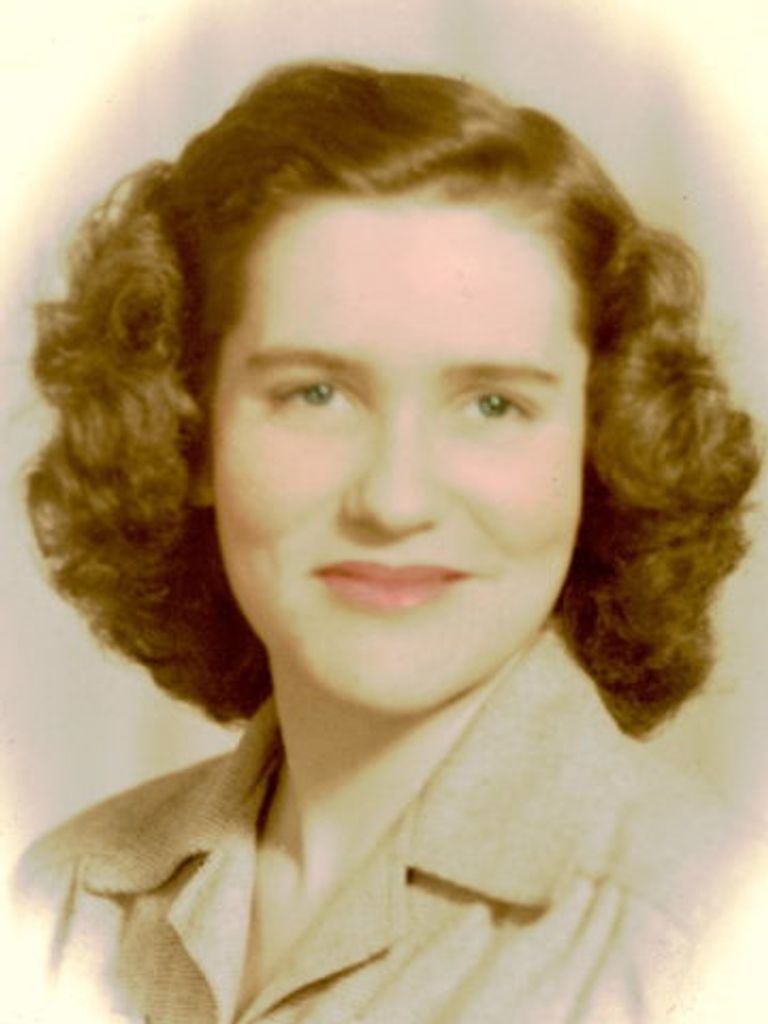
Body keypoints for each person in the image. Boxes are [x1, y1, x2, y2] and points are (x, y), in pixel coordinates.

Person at [12, 60, 766, 1022]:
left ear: (602, 450)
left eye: (493, 404)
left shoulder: (707, 941)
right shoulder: (61, 905)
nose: (396, 500)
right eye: (315, 394)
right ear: (189, 431)